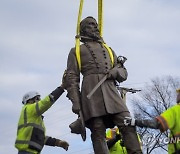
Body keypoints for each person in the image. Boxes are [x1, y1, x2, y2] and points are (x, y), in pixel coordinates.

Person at [65, 16, 142, 154]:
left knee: (127, 122)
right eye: (90, 24)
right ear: (83, 29)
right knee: (97, 129)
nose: (95, 26)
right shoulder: (76, 50)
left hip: (111, 90)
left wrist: (116, 72)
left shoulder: (108, 49)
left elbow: (123, 72)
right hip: (91, 92)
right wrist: (75, 102)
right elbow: (72, 77)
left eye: (96, 24)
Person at [15, 72, 69, 154]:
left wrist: (58, 142)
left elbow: (41, 138)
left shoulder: (34, 119)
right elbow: (45, 103)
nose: (39, 101)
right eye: (37, 99)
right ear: (30, 100)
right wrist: (62, 88)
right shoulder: (28, 108)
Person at [124, 88, 180, 154]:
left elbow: (156, 123)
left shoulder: (176, 110)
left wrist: (135, 122)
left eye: (179, 94)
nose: (177, 96)